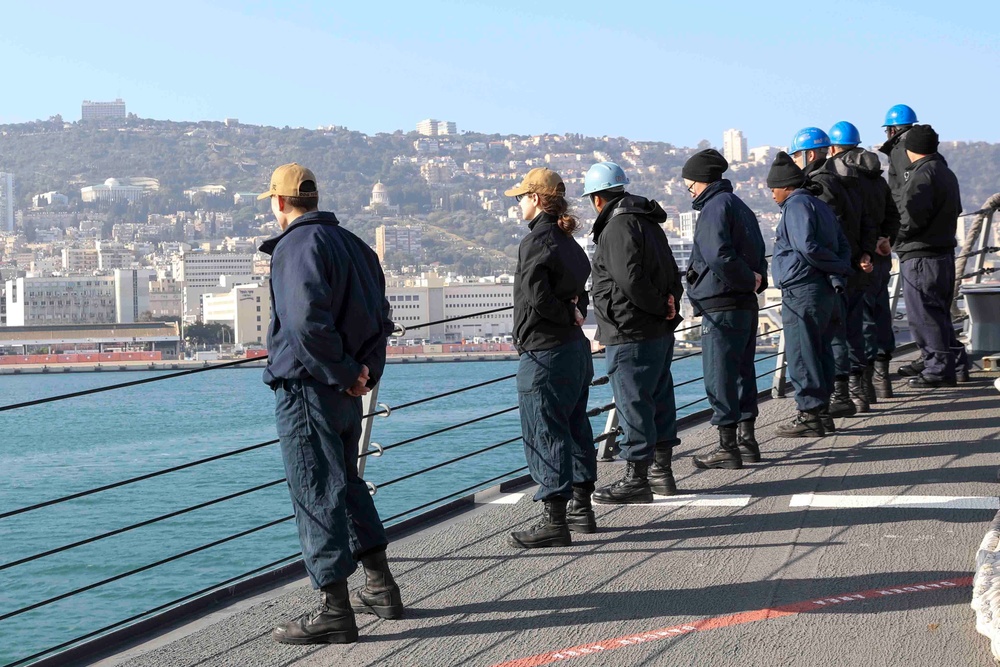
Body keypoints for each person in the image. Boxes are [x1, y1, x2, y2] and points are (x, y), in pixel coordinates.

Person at [258, 163, 401, 645]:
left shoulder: (296, 246)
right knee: (349, 483)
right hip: (346, 390)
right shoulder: (357, 247)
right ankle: (381, 586)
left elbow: (302, 326)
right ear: (315, 198)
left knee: (316, 492)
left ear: (279, 202)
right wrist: (362, 374)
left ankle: (335, 610)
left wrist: (342, 371)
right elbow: (382, 320)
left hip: (308, 389)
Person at [503, 168, 597, 548]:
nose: (518, 204)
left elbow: (537, 298)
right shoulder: (569, 243)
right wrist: (574, 313)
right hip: (573, 350)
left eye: (521, 197)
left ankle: (554, 520)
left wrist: (563, 314)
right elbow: (579, 292)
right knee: (575, 428)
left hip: (544, 352)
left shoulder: (536, 242)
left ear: (537, 199)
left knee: (544, 431)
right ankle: (581, 509)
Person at [583, 162, 684, 502]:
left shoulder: (615, 228)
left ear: (598, 199)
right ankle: (662, 473)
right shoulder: (648, 222)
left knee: (633, 402)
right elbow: (672, 270)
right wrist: (670, 304)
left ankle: (636, 478)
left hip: (629, 329)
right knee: (659, 397)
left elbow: (628, 280)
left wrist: (657, 305)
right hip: (657, 329)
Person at [681, 149, 767, 469]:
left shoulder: (714, 208)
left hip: (722, 304)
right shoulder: (741, 207)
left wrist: (744, 280)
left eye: (689, 185)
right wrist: (755, 281)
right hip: (746, 303)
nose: (689, 191)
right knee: (744, 371)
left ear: (701, 181)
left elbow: (717, 255)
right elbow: (757, 252)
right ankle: (748, 442)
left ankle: (726, 447)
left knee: (719, 375)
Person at [767, 152, 852, 437]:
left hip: (802, 289)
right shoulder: (820, 205)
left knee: (803, 353)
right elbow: (842, 243)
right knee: (821, 350)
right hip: (825, 289)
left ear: (786, 186)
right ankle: (823, 412)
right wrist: (839, 268)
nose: (772, 195)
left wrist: (834, 266)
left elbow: (807, 246)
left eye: (773, 189)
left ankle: (809, 415)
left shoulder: (796, 206)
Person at [790, 126, 873, 418]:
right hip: (854, 264)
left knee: (836, 336)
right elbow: (865, 218)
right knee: (852, 331)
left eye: (797, 155)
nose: (795, 161)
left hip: (835, 271)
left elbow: (825, 234)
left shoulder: (817, 185)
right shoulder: (847, 179)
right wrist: (865, 252)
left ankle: (842, 396)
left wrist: (834, 265)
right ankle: (859, 393)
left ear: (810, 154)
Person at [828, 121, 901, 400]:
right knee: (879, 313)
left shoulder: (840, 179)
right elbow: (892, 215)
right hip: (879, 256)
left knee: (856, 321)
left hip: (856, 258)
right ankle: (881, 380)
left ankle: (862, 386)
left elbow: (847, 222)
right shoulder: (877, 178)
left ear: (833, 148)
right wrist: (886, 239)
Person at [895, 125, 969, 388]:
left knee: (923, 314)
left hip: (921, 256)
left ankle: (938, 369)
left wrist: (892, 238)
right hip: (944, 253)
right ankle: (956, 363)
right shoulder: (945, 172)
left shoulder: (921, 175)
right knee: (939, 313)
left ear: (909, 149)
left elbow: (911, 218)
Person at [878, 104, 919, 212]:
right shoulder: (924, 147)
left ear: (892, 130)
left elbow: (903, 189)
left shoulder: (899, 151)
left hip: (907, 214)